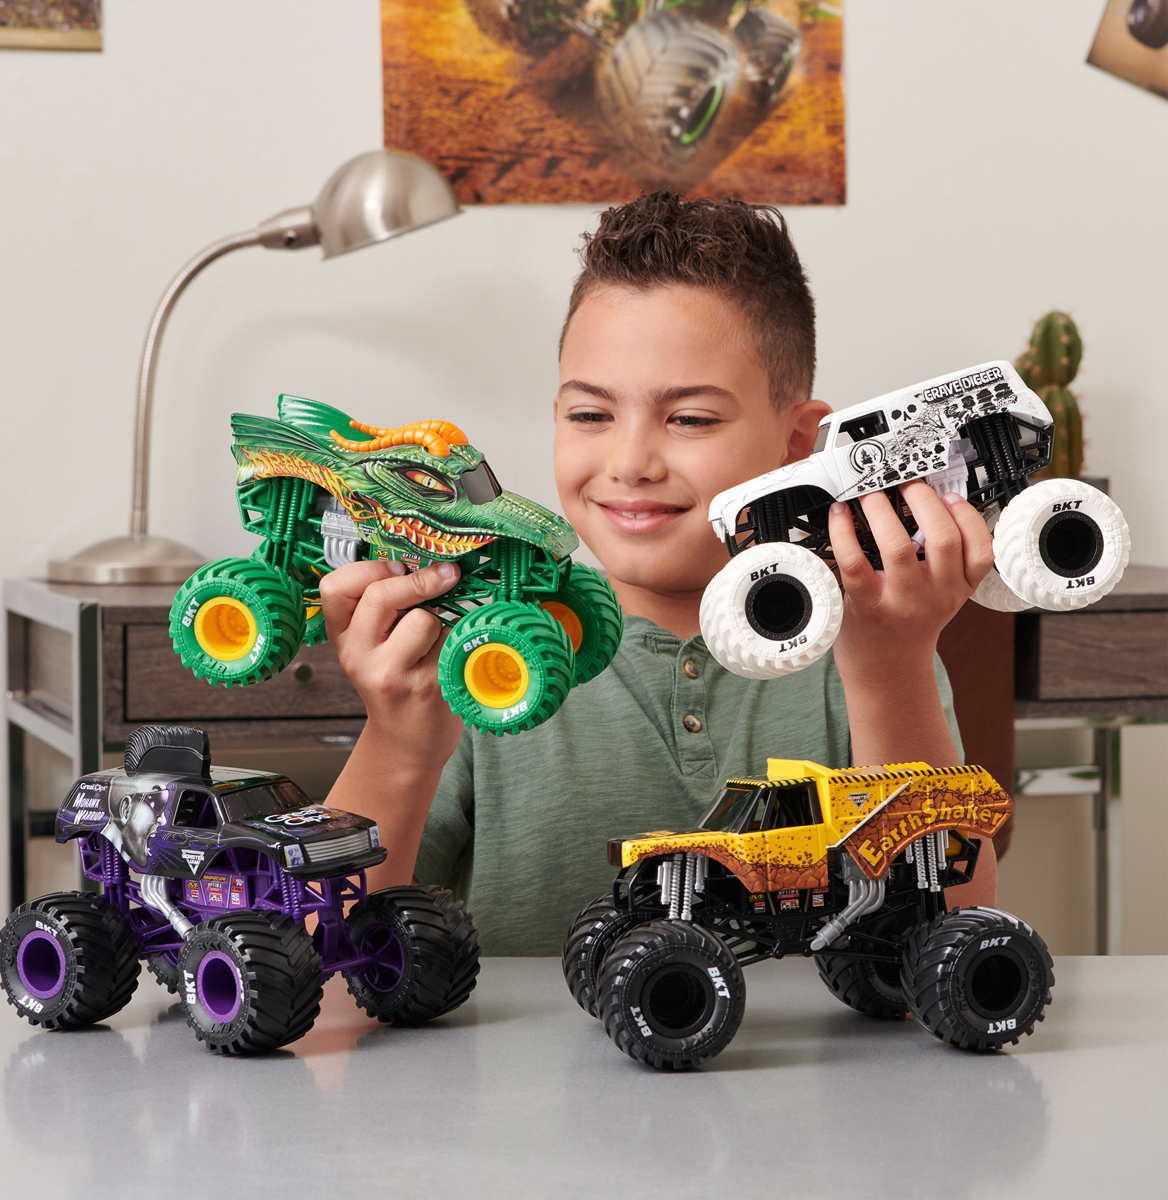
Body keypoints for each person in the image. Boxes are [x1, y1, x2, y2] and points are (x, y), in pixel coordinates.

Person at [321, 193, 996, 954]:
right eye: (590, 415)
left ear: (797, 443)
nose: (630, 462)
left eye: (691, 419)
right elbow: (328, 960)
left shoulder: (874, 641)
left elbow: (952, 955)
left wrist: (892, 673)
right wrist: (399, 741)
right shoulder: (475, 655)